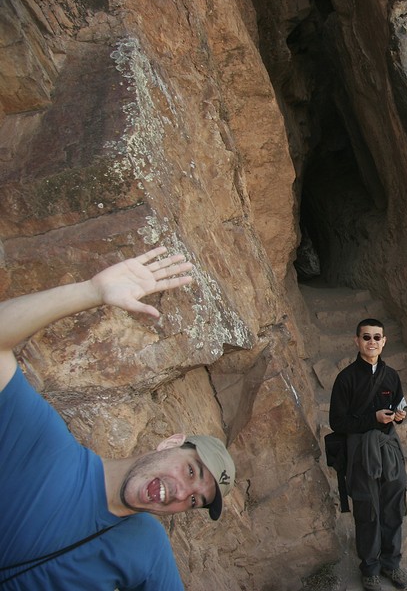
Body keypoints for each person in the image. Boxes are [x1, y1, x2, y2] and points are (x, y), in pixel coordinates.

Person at [0, 246, 236, 590]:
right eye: (190, 470)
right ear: (170, 443)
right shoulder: (46, 448)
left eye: (195, 501)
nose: (181, 493)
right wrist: (91, 292)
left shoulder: (147, 548)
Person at [329, 318, 407, 591]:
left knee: (393, 506)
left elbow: (399, 405)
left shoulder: (392, 376)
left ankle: (392, 563)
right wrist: (372, 419)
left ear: (384, 342)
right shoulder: (346, 378)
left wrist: (399, 416)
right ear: (357, 341)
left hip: (388, 449)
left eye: (377, 337)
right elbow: (337, 423)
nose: (372, 342)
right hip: (360, 451)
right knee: (367, 509)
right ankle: (371, 568)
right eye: (366, 337)